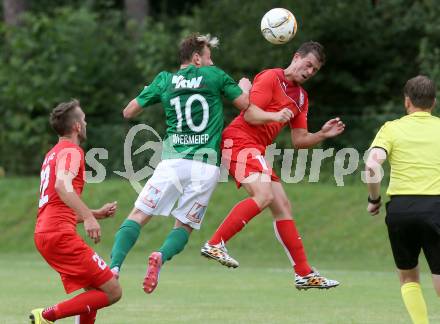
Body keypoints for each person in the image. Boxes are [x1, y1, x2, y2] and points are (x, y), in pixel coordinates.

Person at [109, 33, 259, 294]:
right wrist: (245, 86)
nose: (211, 63)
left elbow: (128, 112)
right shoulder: (215, 76)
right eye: (209, 57)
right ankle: (160, 256)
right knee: (185, 225)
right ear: (197, 58)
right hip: (206, 166)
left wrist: (150, 90)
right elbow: (245, 105)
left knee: (139, 214)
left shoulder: (164, 80)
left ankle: (113, 268)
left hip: (173, 163)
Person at [201, 41, 345, 290]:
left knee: (283, 207)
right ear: (296, 57)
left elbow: (299, 141)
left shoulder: (301, 97)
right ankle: (215, 243)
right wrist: (274, 116)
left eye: (315, 70)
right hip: (238, 141)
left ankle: (304, 273)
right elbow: (249, 114)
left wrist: (321, 134)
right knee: (264, 195)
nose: (310, 72)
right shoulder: (271, 77)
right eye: (308, 65)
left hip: (255, 148)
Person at [30, 99, 122, 324]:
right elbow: (63, 187)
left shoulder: (53, 153)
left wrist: (95, 213)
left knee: (96, 290)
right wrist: (89, 218)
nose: (87, 123)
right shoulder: (72, 151)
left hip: (45, 233)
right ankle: (46, 316)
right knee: (113, 291)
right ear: (77, 126)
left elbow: (56, 204)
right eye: (85, 119)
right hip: (59, 235)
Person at [365, 75, 439, 324]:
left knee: (408, 277)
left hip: (401, 210)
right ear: (434, 102)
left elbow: (372, 164)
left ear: (407, 101)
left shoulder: (391, 129)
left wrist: (374, 199)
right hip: (436, 207)